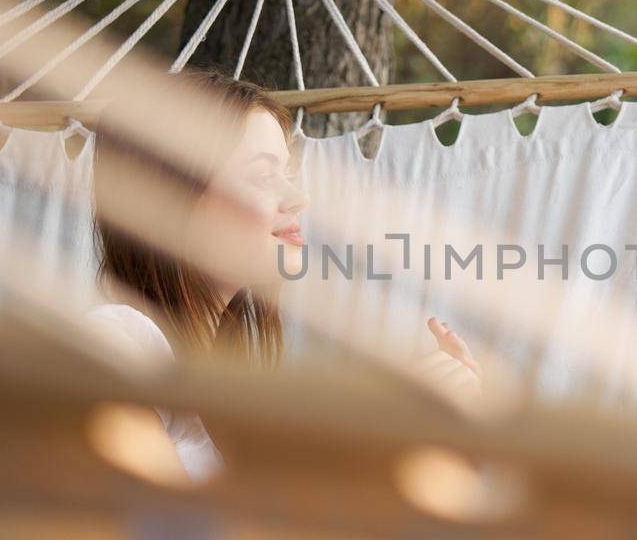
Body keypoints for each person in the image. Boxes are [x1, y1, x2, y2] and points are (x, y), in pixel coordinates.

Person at [86, 69, 481, 478]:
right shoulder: (121, 341)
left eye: (287, 174)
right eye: (262, 176)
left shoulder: (224, 384)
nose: (298, 197)